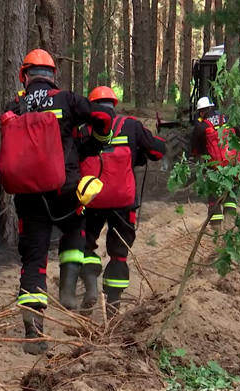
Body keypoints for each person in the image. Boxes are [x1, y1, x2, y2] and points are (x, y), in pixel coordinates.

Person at [2, 49, 113, 355]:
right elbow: (104, 117)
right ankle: (68, 287)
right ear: (53, 75)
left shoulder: (17, 104)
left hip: (28, 197)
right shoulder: (67, 99)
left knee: (34, 260)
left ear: (24, 75)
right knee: (76, 229)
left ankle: (34, 332)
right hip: (65, 191)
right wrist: (93, 145)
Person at [75, 86, 167, 316]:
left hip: (90, 200)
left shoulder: (82, 129)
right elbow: (157, 151)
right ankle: (113, 305)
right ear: (114, 104)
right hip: (123, 203)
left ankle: (90, 287)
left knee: (85, 246)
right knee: (118, 253)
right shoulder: (131, 125)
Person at [191, 96, 240, 229]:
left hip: (214, 169)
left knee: (214, 196)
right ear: (212, 107)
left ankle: (216, 229)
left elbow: (195, 150)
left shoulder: (201, 127)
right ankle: (229, 225)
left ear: (201, 112)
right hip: (233, 166)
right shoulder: (228, 119)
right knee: (231, 194)